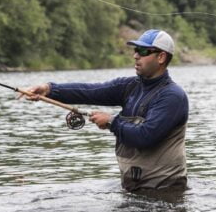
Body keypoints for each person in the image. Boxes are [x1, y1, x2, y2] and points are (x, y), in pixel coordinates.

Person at [24, 29, 189, 192]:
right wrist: (49, 90)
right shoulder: (129, 86)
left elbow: (145, 135)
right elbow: (90, 91)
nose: (136, 56)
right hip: (133, 188)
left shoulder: (173, 96)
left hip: (166, 190)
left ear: (161, 57)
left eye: (143, 51)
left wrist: (111, 122)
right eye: (136, 50)